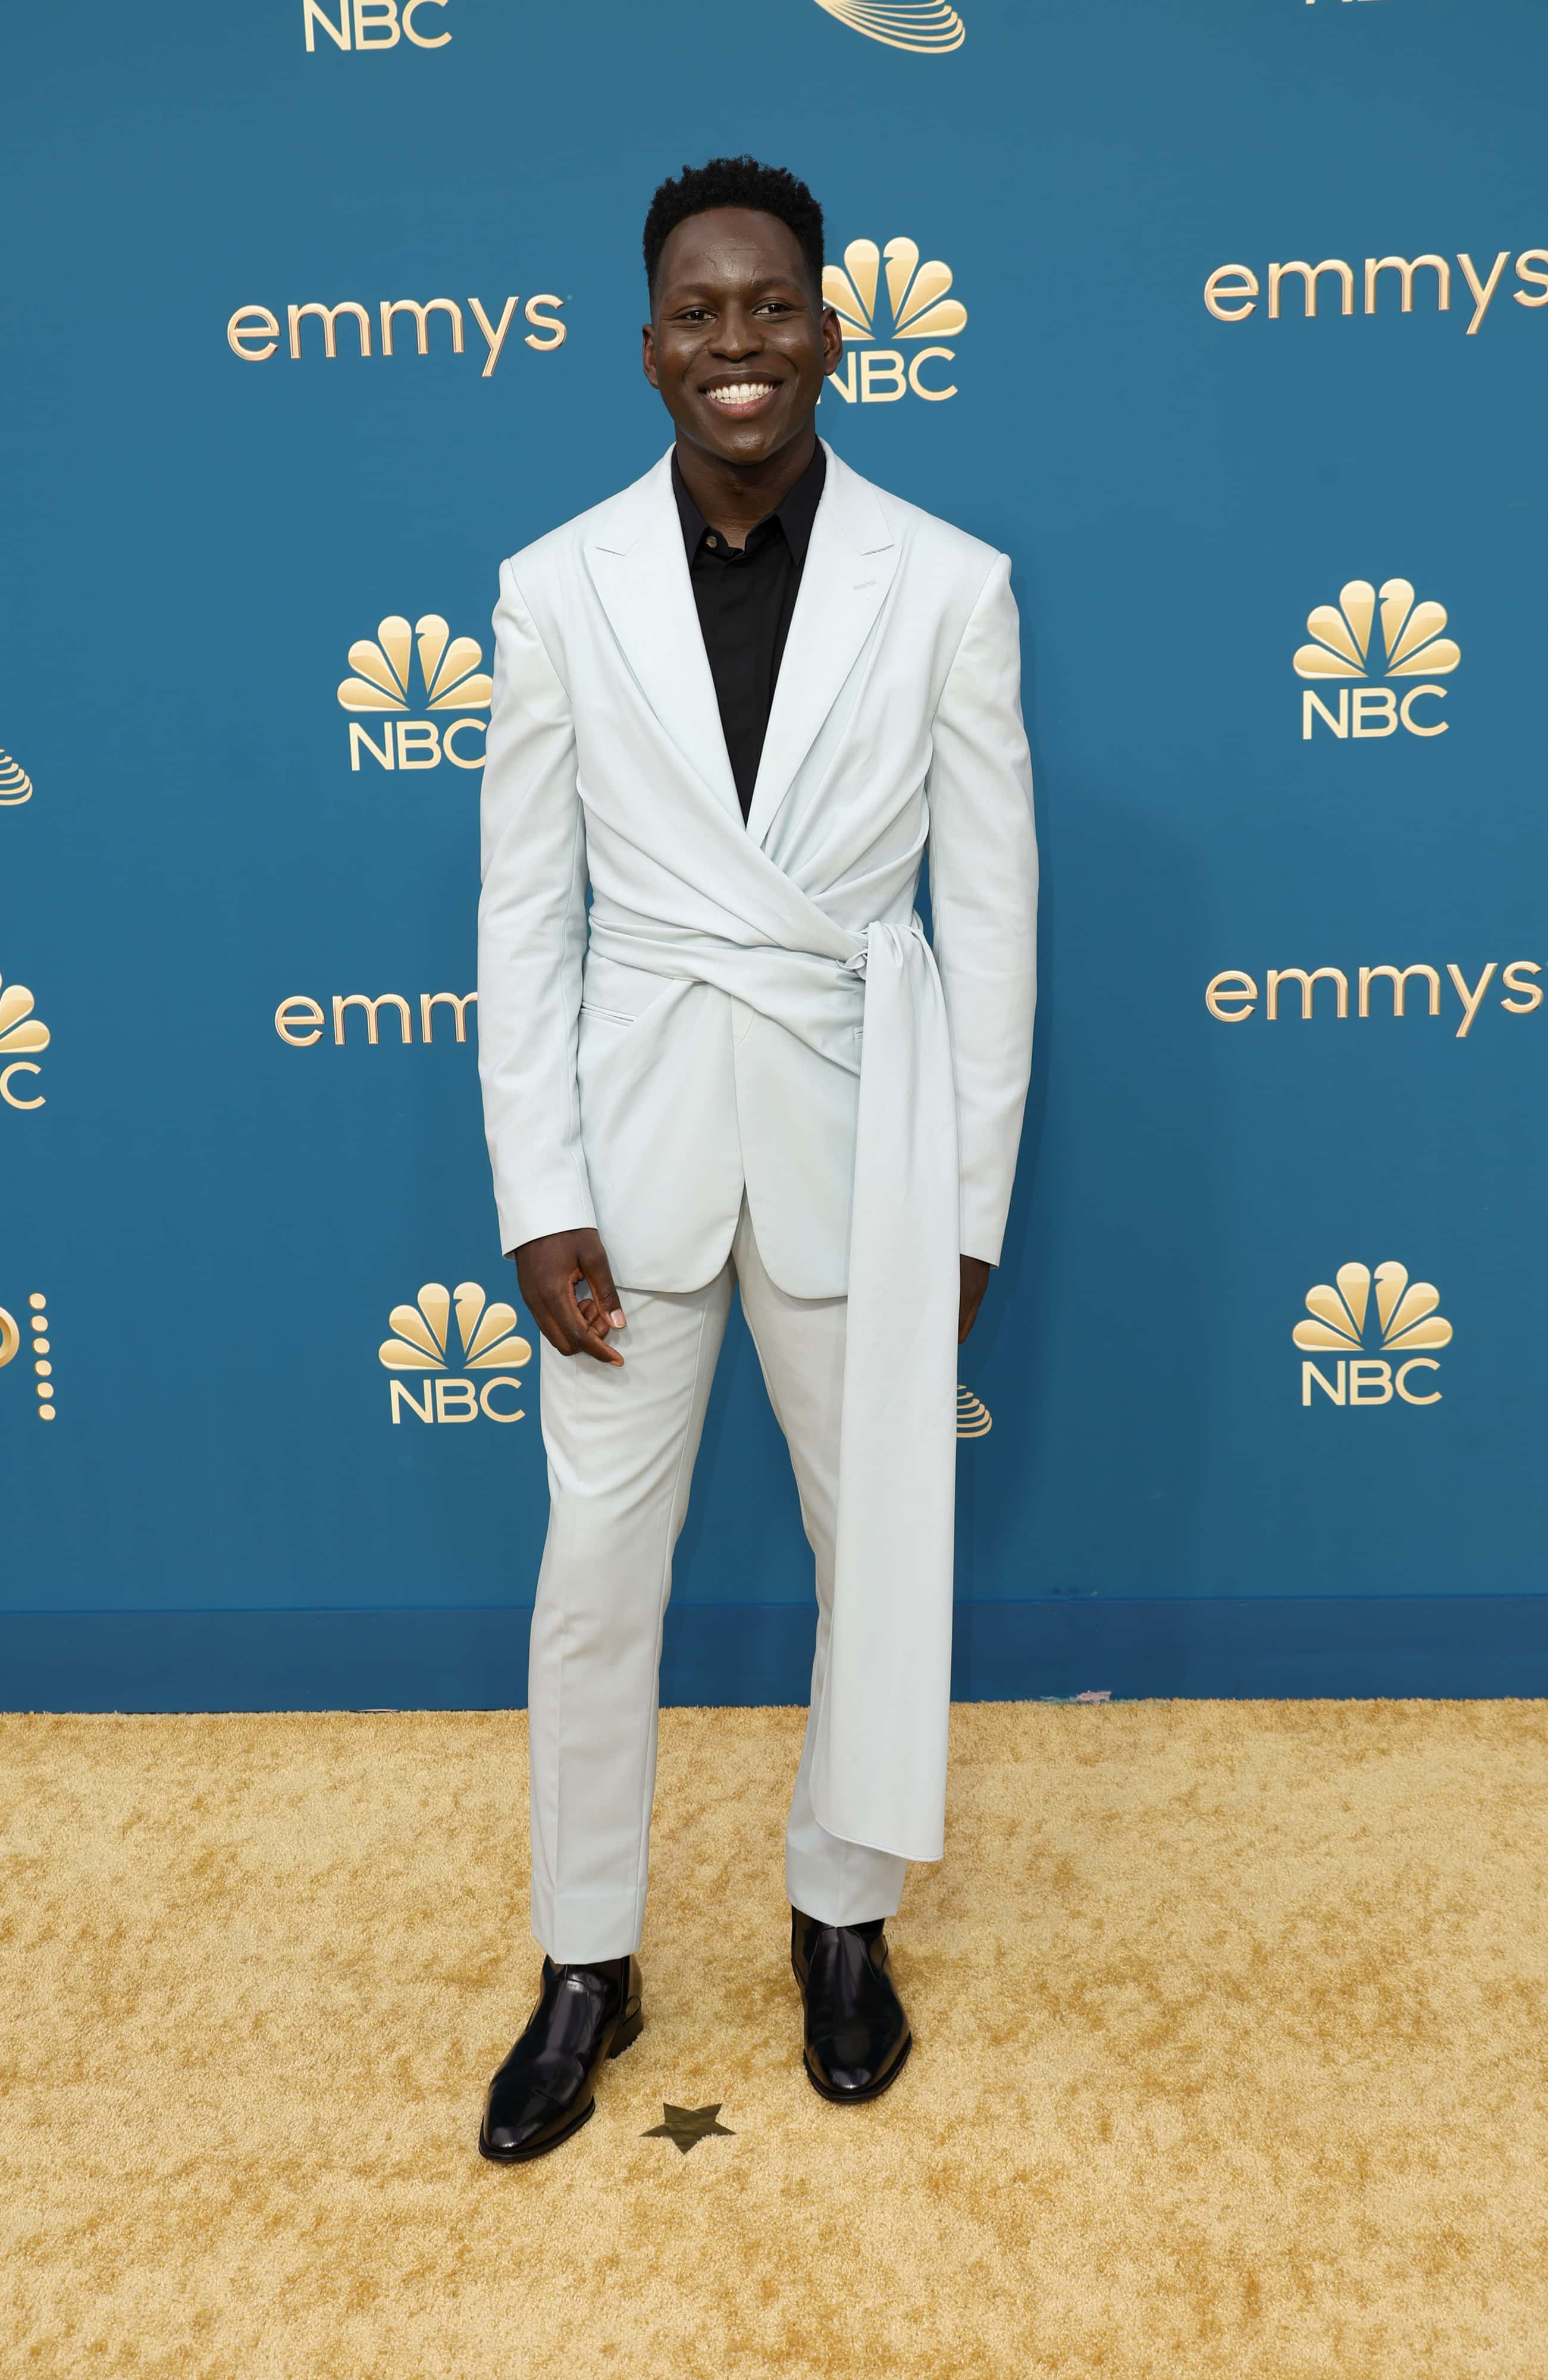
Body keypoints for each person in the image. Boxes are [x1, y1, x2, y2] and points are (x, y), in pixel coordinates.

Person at [475, 155, 1037, 2161]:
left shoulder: (948, 583)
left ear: (828, 326)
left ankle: (842, 1920)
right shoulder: (553, 589)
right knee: (591, 1578)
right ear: (649, 345)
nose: (738, 342)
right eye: (700, 311)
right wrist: (540, 1192)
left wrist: (961, 1204)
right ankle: (583, 1958)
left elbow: (995, 912)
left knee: (870, 1557)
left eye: (773, 304)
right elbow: (521, 919)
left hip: (856, 1142)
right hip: (629, 1154)